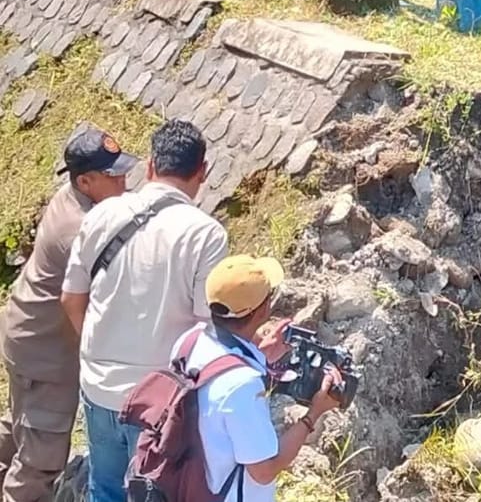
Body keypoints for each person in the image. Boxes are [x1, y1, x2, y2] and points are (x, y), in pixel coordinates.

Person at [60, 120, 228, 502]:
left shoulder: (102, 214)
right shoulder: (206, 234)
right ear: (202, 173)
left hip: (98, 387)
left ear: (150, 165)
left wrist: (96, 354)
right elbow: (208, 326)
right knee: (156, 493)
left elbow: (71, 299)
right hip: (158, 401)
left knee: (104, 489)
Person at [0, 127, 131, 502]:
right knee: (41, 458)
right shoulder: (81, 231)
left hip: (28, 336)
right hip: (46, 353)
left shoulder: (74, 198)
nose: (124, 181)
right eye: (113, 176)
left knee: (20, 427)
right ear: (86, 181)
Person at [175, 255, 344, 502]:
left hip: (189, 487)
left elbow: (214, 398)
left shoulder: (189, 341)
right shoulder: (242, 384)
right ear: (263, 309)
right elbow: (264, 471)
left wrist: (259, 357)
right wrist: (314, 413)